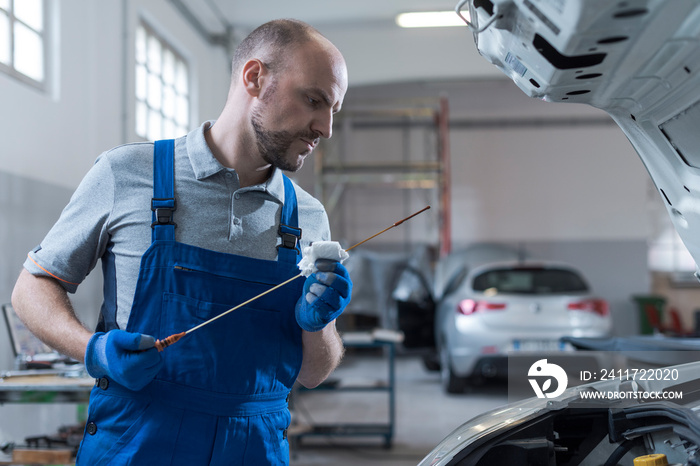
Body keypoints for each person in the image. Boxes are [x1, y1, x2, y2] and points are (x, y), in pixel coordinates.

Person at [11, 18, 351, 465]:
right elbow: (31, 289)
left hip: (254, 451)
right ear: (254, 77)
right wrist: (93, 351)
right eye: (314, 100)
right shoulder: (128, 174)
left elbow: (313, 373)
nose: (324, 128)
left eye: (333, 111)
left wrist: (317, 324)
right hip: (136, 446)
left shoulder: (306, 217)